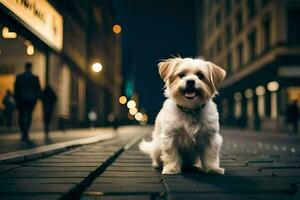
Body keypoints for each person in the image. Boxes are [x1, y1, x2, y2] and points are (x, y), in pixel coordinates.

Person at [14, 62, 41, 141]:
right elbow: (38, 90)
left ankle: (23, 132)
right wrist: (36, 97)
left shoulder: (19, 77)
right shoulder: (35, 77)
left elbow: (16, 88)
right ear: (31, 67)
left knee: (21, 116)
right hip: (31, 100)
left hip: (21, 99)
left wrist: (16, 98)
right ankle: (26, 131)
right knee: (28, 115)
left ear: (25, 67)